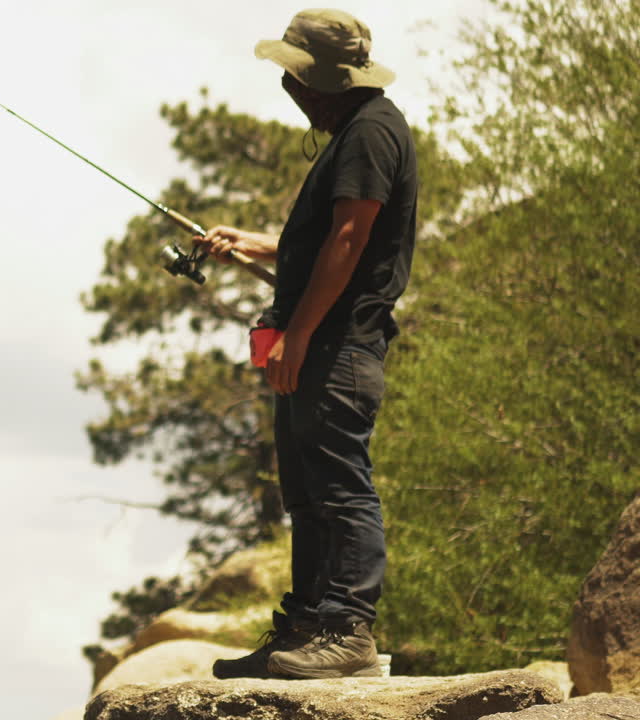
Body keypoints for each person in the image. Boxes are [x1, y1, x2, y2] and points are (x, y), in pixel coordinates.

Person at [198, 9, 419, 679]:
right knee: (307, 492)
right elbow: (331, 235)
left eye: (296, 79)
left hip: (338, 346)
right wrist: (256, 244)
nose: (290, 90)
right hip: (320, 346)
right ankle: (305, 630)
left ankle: (348, 632)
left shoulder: (371, 131)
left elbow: (351, 239)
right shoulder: (354, 131)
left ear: (328, 82)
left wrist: (297, 335)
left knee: (340, 487)